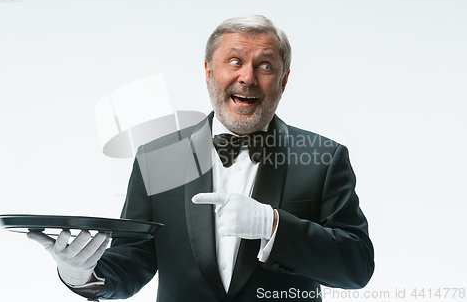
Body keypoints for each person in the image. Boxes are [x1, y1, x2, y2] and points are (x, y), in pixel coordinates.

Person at [28, 15, 374, 301]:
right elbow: (133, 262)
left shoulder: (323, 158)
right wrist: (82, 274)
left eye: (265, 66)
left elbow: (356, 266)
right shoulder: (158, 158)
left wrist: (274, 227)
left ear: (283, 81)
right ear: (209, 72)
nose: (248, 77)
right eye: (234, 61)